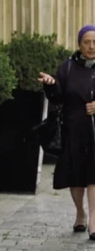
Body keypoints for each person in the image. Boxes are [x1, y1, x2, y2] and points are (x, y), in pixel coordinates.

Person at [39, 25, 95, 238]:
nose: (91, 46)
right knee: (77, 177)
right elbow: (57, 97)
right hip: (73, 129)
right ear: (79, 44)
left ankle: (93, 223)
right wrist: (50, 84)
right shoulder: (67, 68)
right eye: (86, 42)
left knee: (93, 176)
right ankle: (80, 213)